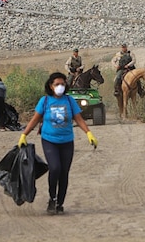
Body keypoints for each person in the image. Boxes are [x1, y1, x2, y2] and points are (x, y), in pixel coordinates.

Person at [18, 72, 98, 215]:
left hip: (67, 141)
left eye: (62, 84)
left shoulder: (69, 100)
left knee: (64, 172)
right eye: (57, 84)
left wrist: (88, 133)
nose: (60, 87)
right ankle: (52, 198)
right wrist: (24, 135)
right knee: (55, 168)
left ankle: (60, 203)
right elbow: (35, 119)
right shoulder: (45, 101)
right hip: (49, 140)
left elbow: (78, 118)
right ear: (51, 86)